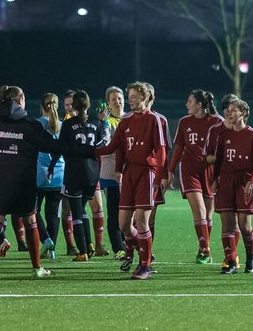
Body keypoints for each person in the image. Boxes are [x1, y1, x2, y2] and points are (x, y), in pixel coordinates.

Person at [0, 84, 93, 279]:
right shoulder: (29, 126)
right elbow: (52, 146)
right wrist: (75, 144)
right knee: (31, 221)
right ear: (20, 100)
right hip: (23, 184)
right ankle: (36, 268)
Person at [96, 81, 170, 280]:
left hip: (147, 172)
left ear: (145, 98)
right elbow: (113, 146)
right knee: (124, 224)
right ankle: (145, 253)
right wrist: (87, 151)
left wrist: (162, 175)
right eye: (129, 96)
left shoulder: (154, 119)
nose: (131, 100)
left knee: (142, 222)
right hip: (128, 173)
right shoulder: (126, 120)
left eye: (135, 97)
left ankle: (145, 265)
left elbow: (162, 150)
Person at [207, 98, 253, 274]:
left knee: (245, 226)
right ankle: (231, 262)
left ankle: (250, 257)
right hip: (226, 180)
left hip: (244, 181)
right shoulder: (223, 135)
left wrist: (252, 181)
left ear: (243, 113)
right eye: (228, 110)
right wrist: (215, 179)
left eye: (233, 110)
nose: (229, 113)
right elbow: (219, 161)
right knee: (227, 225)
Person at [167, 89, 223, 264]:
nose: (186, 104)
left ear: (200, 104)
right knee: (199, 210)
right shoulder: (185, 122)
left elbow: (221, 150)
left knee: (208, 214)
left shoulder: (217, 122)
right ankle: (206, 250)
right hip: (189, 168)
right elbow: (178, 147)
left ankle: (202, 247)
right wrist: (170, 170)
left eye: (190, 101)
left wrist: (220, 175)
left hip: (210, 169)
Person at [55, 89, 109, 261]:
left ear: (74, 106)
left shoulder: (69, 124)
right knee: (83, 210)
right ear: (89, 104)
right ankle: (89, 244)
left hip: (74, 173)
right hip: (93, 174)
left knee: (76, 212)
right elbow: (104, 144)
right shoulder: (97, 123)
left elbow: (61, 146)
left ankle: (82, 252)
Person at [94, 85, 125, 258]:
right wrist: (103, 123)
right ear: (108, 103)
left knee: (129, 210)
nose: (117, 102)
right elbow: (105, 146)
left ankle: (128, 242)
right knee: (114, 210)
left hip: (128, 172)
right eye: (113, 99)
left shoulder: (130, 118)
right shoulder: (105, 122)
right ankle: (118, 248)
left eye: (119, 98)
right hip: (109, 172)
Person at [34, 92, 65, 258]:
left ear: (41, 106)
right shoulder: (62, 125)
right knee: (53, 214)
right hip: (59, 174)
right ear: (57, 105)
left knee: (33, 210)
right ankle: (51, 251)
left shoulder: (37, 124)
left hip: (39, 174)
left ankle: (46, 240)